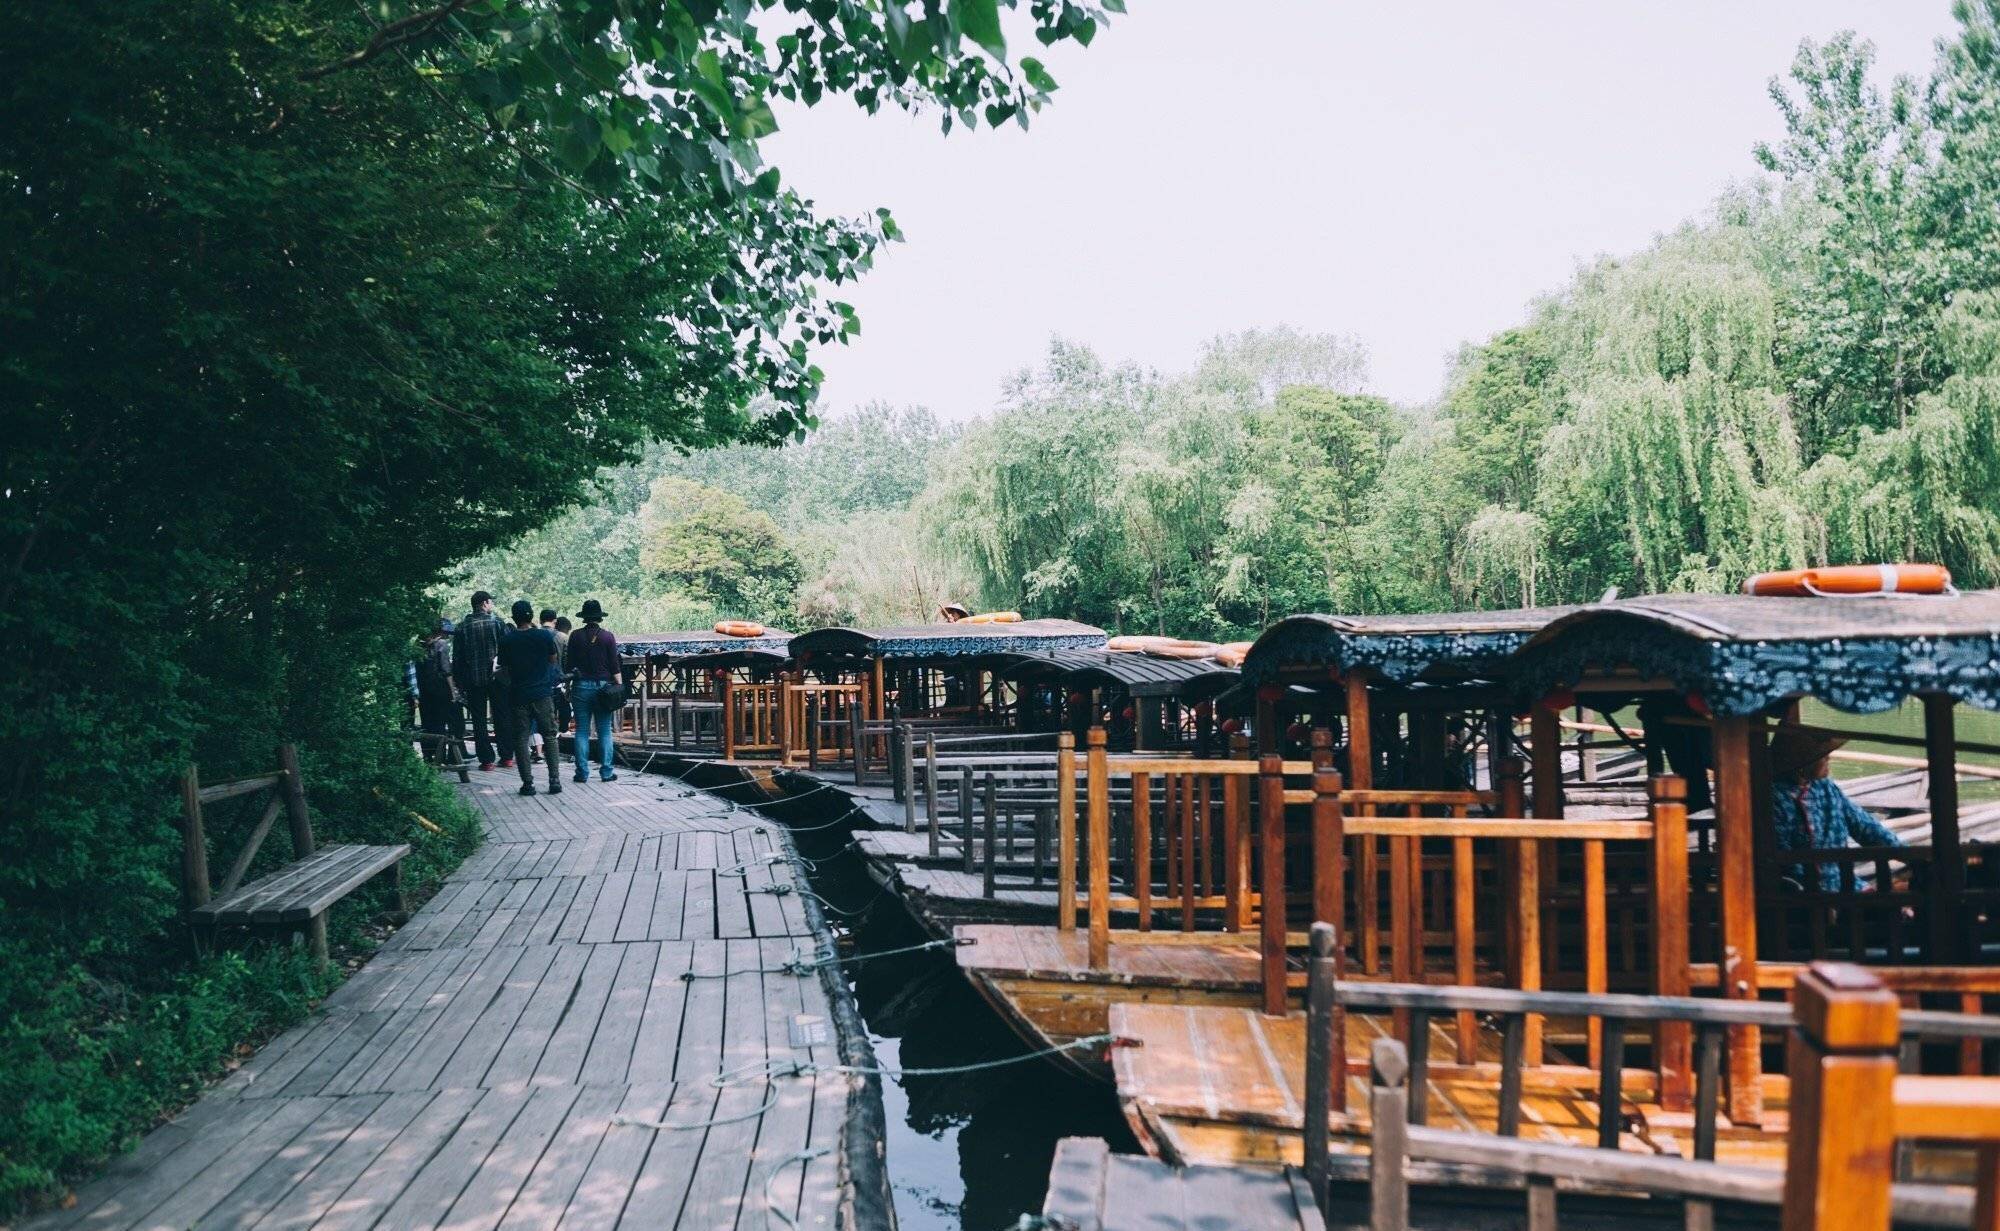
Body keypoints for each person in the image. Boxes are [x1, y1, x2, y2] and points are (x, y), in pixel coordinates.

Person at [1769, 726, 1904, 891]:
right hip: (1807, 893)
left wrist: (1905, 853)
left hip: (1846, 884)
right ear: (1802, 765)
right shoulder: (1775, 798)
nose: (1828, 759)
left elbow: (1865, 826)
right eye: (1822, 757)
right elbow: (1784, 861)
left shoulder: (1826, 787)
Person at [499, 600, 564, 795]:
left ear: (514, 618)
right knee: (550, 736)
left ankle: (528, 784)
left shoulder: (507, 640)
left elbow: (504, 668)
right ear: (531, 616)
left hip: (518, 695)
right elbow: (553, 659)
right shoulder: (544, 636)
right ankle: (554, 781)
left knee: (521, 739)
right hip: (542, 694)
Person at [452, 590, 515, 770]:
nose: (491, 605)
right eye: (490, 602)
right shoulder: (497, 623)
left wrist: (459, 682)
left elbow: (457, 659)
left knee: (479, 719)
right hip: (497, 678)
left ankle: (486, 760)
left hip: (473, 680)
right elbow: (507, 650)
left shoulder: (461, 627)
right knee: (502, 715)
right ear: (485, 604)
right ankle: (507, 756)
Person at [566, 598, 622, 782]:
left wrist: (567, 687)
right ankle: (606, 772)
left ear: (584, 617)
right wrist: (620, 687)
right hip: (603, 688)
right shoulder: (607, 636)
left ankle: (582, 773)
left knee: (581, 730)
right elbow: (614, 666)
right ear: (599, 617)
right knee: (604, 730)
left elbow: (569, 665)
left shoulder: (575, 636)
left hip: (580, 686)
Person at [415, 618, 465, 762]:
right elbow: (446, 670)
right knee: (441, 722)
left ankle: (428, 755)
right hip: (440, 689)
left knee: (427, 722)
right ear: (441, 632)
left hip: (424, 689)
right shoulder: (441, 645)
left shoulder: (419, 646)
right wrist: (453, 691)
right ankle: (441, 756)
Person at [541, 607, 571, 749]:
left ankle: (541, 744)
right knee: (563, 710)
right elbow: (567, 660)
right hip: (558, 680)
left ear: (540, 620)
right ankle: (562, 734)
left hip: (539, 682)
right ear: (555, 620)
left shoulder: (535, 635)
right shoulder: (562, 637)